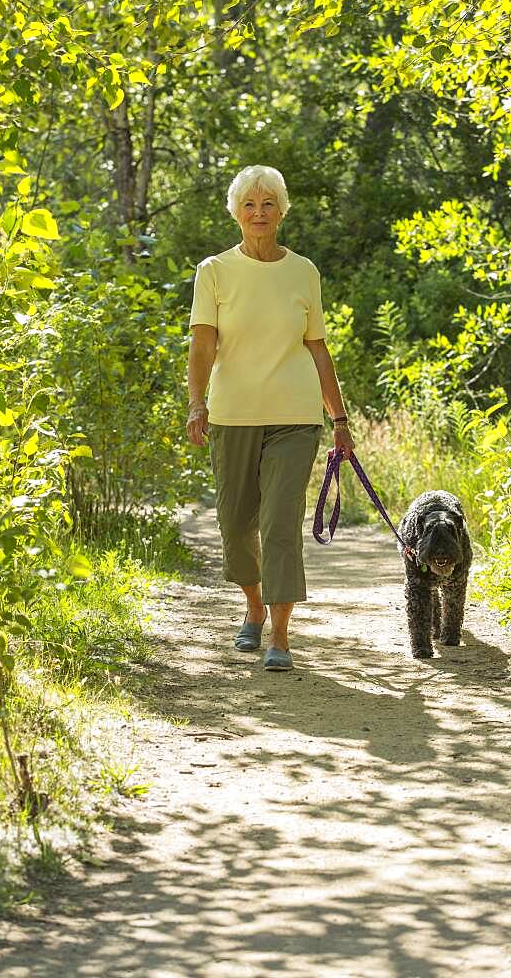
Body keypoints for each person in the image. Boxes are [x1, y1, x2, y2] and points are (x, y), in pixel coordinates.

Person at [186, 164, 354, 671]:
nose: (259, 213)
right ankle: (253, 610)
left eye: (268, 204)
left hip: (295, 416)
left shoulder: (304, 272)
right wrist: (197, 403)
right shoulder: (214, 271)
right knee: (236, 525)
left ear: (282, 211)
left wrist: (339, 419)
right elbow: (202, 344)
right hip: (234, 415)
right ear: (236, 213)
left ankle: (280, 636)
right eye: (250, 205)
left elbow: (319, 350)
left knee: (281, 524)